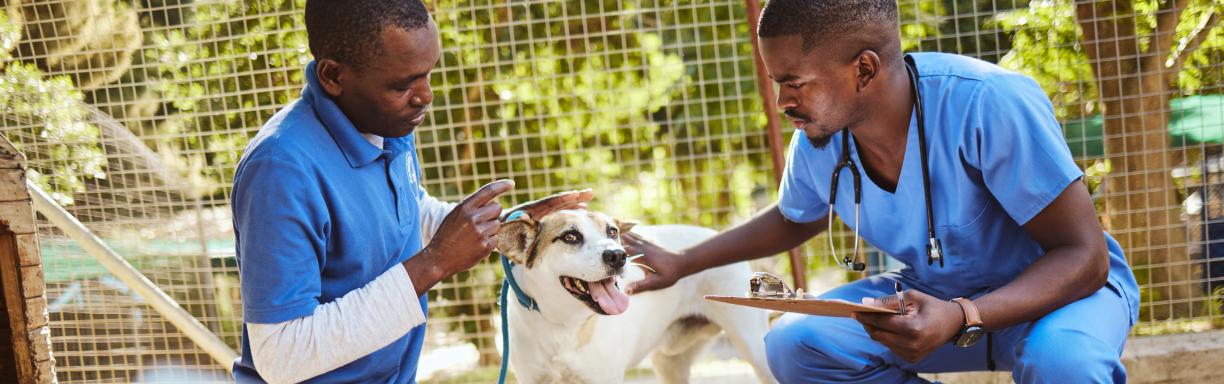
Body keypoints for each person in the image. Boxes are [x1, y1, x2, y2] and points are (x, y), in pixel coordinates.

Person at [624, 1, 1139, 383]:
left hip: (1060, 299)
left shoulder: (988, 103)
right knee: (795, 343)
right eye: (777, 82)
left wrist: (964, 314)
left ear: (864, 69)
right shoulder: (822, 134)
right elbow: (794, 217)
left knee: (1065, 363)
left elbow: (1084, 257)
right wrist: (682, 263)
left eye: (795, 82)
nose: (783, 101)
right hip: (932, 298)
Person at [229, 1, 591, 382]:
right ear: (334, 75)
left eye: (428, 74)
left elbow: (403, 211)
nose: (425, 96)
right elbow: (281, 356)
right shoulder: (280, 170)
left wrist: (499, 227)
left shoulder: (384, 120)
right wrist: (434, 262)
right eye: (403, 84)